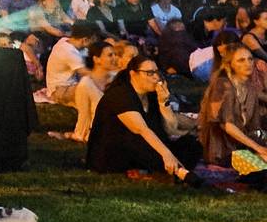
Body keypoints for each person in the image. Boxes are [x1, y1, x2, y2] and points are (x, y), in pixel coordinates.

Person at [87, 52, 197, 179]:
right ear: (133, 74)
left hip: (143, 146)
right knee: (142, 141)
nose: (156, 77)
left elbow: (170, 129)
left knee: (191, 144)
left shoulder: (151, 95)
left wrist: (163, 103)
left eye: (156, 72)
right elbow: (141, 129)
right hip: (114, 152)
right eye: (149, 73)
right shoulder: (120, 95)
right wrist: (166, 154)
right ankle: (174, 171)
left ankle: (168, 169)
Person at [198, 31, 267, 173]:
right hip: (225, 149)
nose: (248, 64)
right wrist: (258, 147)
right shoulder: (222, 85)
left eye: (250, 59)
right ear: (229, 65)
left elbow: (254, 126)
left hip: (245, 144)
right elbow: (228, 126)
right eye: (241, 60)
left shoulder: (247, 85)